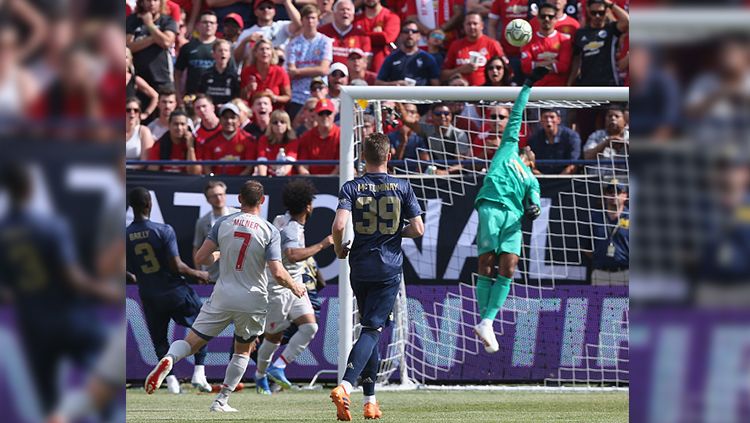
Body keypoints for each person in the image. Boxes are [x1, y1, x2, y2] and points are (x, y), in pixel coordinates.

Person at [145, 180, 306, 412]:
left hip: (222, 295)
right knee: (242, 350)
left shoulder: (222, 223)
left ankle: (170, 359)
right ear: (262, 201)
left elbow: (201, 258)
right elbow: (278, 272)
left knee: (191, 343)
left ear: (238, 199)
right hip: (252, 298)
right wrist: (294, 287)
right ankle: (221, 400)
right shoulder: (269, 230)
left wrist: (217, 255)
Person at [0, 164, 119, 414]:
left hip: (34, 323)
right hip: (69, 317)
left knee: (48, 398)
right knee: (103, 382)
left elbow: (6, 291)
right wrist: (104, 292)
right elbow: (72, 277)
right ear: (30, 188)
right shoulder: (50, 225)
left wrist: (27, 296)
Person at [329, 133, 424, 421]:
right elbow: (418, 229)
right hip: (388, 268)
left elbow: (339, 224)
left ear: (363, 158)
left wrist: (338, 248)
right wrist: (397, 232)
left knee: (369, 330)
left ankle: (370, 401)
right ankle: (345, 385)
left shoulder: (352, 187)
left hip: (359, 265)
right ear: (389, 155)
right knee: (372, 330)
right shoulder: (403, 186)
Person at [472, 67, 548, 353]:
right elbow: (516, 113)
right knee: (486, 264)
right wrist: (527, 83)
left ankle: (487, 322)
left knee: (510, 267)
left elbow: (535, 201)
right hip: (493, 206)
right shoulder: (508, 148)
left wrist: (534, 209)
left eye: (532, 152)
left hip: (514, 220)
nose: (529, 150)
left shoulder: (531, 179)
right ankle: (484, 320)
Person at [126, 187, 212, 394]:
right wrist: (198, 274)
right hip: (174, 291)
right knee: (204, 326)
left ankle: (172, 382)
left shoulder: (125, 234)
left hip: (148, 294)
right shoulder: (163, 230)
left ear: (131, 206)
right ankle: (199, 372)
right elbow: (177, 266)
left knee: (159, 339)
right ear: (149, 204)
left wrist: (134, 277)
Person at [254, 179, 333, 394]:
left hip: (296, 286)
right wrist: (323, 244)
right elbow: (292, 254)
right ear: (308, 206)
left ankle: (278, 367)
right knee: (273, 338)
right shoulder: (292, 228)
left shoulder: (282, 219)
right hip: (279, 288)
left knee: (310, 327)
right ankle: (261, 376)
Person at [286, 5, 333, 119]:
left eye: (313, 18)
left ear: (318, 20)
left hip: (319, 96)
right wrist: (313, 70)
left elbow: (323, 69)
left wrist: (299, 71)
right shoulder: (294, 43)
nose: (310, 21)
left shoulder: (325, 41)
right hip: (298, 97)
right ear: (302, 20)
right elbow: (291, 72)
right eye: (307, 18)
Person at [568, 0, 629, 87]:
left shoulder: (612, 29)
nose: (597, 16)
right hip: (587, 84)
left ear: (606, 11)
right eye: (593, 13)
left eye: (601, 12)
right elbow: (577, 61)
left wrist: (610, 4)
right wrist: (570, 83)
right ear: (588, 11)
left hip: (610, 83)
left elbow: (627, 21)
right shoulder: (580, 33)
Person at [402, 103, 471, 175]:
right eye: (438, 114)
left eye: (446, 113)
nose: (443, 116)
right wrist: (397, 102)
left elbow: (461, 163)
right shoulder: (428, 130)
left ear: (451, 116)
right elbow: (407, 120)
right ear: (432, 116)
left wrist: (445, 172)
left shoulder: (459, 134)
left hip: (457, 177)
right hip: (433, 174)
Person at [441, 12, 504, 86]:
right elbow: (443, 75)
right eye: (468, 24)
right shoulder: (455, 45)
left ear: (482, 25)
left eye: (475, 23)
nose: (472, 27)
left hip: (486, 93)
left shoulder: (492, 44)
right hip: (461, 93)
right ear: (463, 26)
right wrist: (460, 70)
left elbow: (505, 70)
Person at [193, 180, 238, 283]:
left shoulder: (238, 215)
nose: (218, 198)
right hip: (212, 276)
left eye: (221, 194)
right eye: (214, 196)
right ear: (208, 200)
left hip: (235, 275)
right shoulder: (202, 222)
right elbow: (197, 248)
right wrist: (199, 273)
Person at [126, 0, 177, 90]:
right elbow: (127, 48)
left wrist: (150, 24)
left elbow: (166, 43)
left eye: (155, 0)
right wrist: (154, 38)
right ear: (142, 2)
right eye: (148, 0)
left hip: (162, 78)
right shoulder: (131, 20)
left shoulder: (167, 20)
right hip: (139, 80)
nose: (152, 3)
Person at [520, 3, 573, 86]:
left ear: (556, 19)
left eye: (550, 16)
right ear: (537, 18)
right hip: (535, 89)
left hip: (557, 90)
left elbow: (563, 67)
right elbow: (526, 67)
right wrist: (552, 62)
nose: (547, 19)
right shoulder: (528, 40)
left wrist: (537, 64)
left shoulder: (564, 40)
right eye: (543, 16)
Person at [376, 20, 440, 87]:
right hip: (399, 95)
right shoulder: (392, 58)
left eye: (414, 31)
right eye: (406, 31)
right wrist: (395, 84)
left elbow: (436, 85)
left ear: (419, 36)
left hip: (421, 96)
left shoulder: (427, 58)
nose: (410, 34)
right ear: (400, 35)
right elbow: (378, 82)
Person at [589, 178, 629, 285]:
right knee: (597, 302)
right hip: (600, 273)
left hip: (625, 273)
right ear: (605, 195)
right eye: (610, 192)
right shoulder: (595, 217)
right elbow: (586, 247)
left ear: (625, 195)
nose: (613, 195)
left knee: (621, 302)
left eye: (617, 192)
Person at [234, 0, 301, 62]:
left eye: (269, 7)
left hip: (280, 69)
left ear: (274, 11)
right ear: (255, 12)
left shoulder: (282, 26)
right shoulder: (247, 33)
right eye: (261, 8)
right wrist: (245, 41)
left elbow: (299, 25)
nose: (266, 10)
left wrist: (287, 2)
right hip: (258, 70)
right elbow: (236, 59)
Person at [200, 103, 257, 175]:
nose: (229, 121)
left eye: (233, 117)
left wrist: (237, 181)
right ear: (220, 120)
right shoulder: (210, 141)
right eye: (225, 117)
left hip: (241, 182)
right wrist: (214, 181)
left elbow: (249, 167)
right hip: (217, 182)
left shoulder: (248, 140)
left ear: (238, 120)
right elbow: (207, 167)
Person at [175, 10, 219, 101]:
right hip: (192, 97)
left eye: (212, 23)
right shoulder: (188, 47)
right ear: (198, 25)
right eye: (205, 22)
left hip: (216, 97)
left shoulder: (223, 47)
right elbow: (177, 74)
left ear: (216, 26)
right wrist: (179, 97)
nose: (208, 25)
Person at [526, 108, 581, 175]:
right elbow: (530, 165)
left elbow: (573, 164)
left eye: (552, 117)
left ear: (558, 120)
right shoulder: (534, 139)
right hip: (541, 180)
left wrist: (558, 180)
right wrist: (544, 179)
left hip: (567, 180)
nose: (549, 120)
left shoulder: (572, 137)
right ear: (541, 121)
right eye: (545, 117)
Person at [240, 39, 292, 109]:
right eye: (261, 49)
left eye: (268, 49)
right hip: (252, 112)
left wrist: (274, 97)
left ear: (272, 53)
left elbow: (288, 97)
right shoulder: (247, 72)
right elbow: (241, 98)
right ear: (255, 53)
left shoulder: (280, 72)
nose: (265, 52)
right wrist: (248, 89)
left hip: (274, 113)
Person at [147, 109, 202, 174]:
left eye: (182, 124)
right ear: (169, 125)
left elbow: (195, 173)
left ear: (187, 126)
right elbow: (153, 171)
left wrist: (190, 148)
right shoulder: (160, 144)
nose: (179, 128)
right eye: (175, 124)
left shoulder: (195, 143)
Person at [318, 0, 371, 66]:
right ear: (334, 14)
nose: (345, 12)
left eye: (348, 10)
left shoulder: (362, 35)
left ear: (353, 15)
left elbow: (367, 63)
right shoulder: (321, 33)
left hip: (352, 75)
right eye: (342, 9)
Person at [486, 0, 528, 83]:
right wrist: (498, 50)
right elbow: (491, 25)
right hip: (508, 53)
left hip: (530, 53)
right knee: (513, 87)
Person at [353, 0, 401, 71]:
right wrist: (376, 35)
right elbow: (352, 37)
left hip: (383, 69)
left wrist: (361, 35)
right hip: (358, 69)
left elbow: (387, 38)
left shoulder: (391, 17)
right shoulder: (355, 19)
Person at [297, 98, 340, 175]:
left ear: (334, 115)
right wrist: (309, 179)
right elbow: (303, 165)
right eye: (321, 113)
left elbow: (341, 165)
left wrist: (328, 180)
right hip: (312, 182)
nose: (325, 116)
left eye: (328, 113)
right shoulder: (307, 137)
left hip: (337, 181)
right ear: (315, 115)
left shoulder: (341, 135)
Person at [257, 109, 299, 176]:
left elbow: (289, 163)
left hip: (287, 178)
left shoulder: (293, 141)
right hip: (268, 177)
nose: (279, 124)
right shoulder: (263, 139)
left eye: (282, 122)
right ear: (271, 125)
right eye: (275, 122)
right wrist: (264, 180)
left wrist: (279, 178)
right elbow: (262, 162)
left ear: (287, 124)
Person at [198, 39, 240, 106]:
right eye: (220, 50)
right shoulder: (206, 74)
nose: (223, 53)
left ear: (229, 54)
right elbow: (201, 94)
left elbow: (237, 97)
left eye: (226, 50)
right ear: (213, 54)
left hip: (227, 111)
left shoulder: (234, 75)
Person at [126, 47, 158, 118]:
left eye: (125, 57)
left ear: (130, 61)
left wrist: (146, 114)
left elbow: (155, 96)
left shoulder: (135, 80)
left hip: (131, 120)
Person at [126, 97, 156, 165]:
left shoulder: (144, 132)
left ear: (139, 113)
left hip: (137, 173)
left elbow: (144, 162)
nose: (132, 112)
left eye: (136, 110)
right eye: (128, 110)